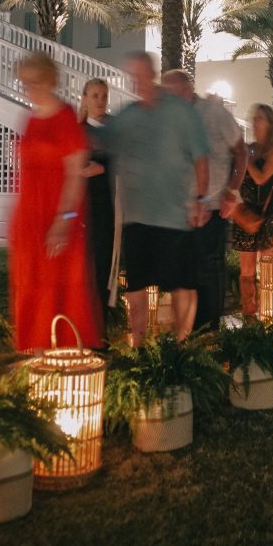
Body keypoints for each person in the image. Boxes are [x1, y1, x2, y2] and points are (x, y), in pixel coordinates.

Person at [108, 52, 210, 344]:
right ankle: (139, 349)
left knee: (180, 285)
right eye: (132, 76)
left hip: (174, 216)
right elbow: (104, 142)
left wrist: (200, 199)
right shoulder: (128, 115)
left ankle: (181, 348)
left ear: (151, 73)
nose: (136, 81)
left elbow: (201, 157)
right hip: (137, 217)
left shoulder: (179, 111)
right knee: (136, 288)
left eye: (140, 74)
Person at [10, 52, 103, 352]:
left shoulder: (65, 119)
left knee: (58, 291)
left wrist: (64, 221)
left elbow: (76, 176)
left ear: (50, 80)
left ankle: (63, 361)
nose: (30, 88)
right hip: (29, 220)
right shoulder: (30, 119)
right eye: (25, 82)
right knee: (32, 290)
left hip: (57, 219)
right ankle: (37, 363)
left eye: (35, 82)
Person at [161, 69, 248, 330]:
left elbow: (241, 152)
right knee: (186, 270)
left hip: (212, 205)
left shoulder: (214, 114)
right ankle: (189, 330)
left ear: (187, 90)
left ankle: (210, 328)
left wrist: (232, 191)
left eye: (172, 93)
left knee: (209, 268)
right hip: (181, 208)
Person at [231, 105, 273, 316]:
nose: (255, 122)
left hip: (266, 213)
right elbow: (236, 175)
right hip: (245, 212)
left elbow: (262, 178)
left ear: (270, 123)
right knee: (247, 271)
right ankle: (249, 312)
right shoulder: (249, 147)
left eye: (260, 118)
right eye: (254, 118)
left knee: (269, 268)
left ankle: (269, 312)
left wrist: (246, 158)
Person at [80, 78, 116, 329]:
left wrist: (103, 167)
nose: (100, 101)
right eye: (94, 95)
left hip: (108, 209)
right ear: (84, 98)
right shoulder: (78, 130)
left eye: (104, 95)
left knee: (103, 268)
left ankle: (99, 332)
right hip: (82, 208)